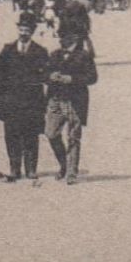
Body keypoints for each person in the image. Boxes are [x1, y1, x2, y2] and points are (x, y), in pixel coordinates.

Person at [0, 13, 50, 182]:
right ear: (18, 29)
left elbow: (47, 73)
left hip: (32, 100)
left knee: (31, 134)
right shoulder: (8, 49)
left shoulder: (40, 51)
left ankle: (31, 168)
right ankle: (14, 168)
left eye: (27, 30)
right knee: (12, 134)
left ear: (32, 31)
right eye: (21, 29)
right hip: (11, 100)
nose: (23, 32)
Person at [45, 24, 97, 184]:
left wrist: (72, 79)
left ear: (74, 38)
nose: (60, 39)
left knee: (73, 137)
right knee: (51, 133)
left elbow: (92, 78)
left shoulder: (84, 55)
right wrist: (50, 76)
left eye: (63, 36)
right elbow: (43, 73)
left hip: (75, 101)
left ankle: (72, 173)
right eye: (59, 36)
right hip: (55, 99)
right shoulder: (54, 54)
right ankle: (64, 165)